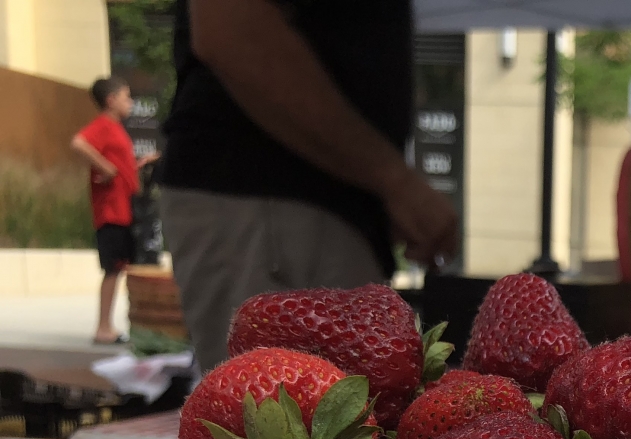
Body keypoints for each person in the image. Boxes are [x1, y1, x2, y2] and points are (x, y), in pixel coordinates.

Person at [158, 0, 457, 373]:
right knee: (283, 415)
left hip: (302, 204)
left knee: (335, 412)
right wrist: (394, 180)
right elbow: (231, 27)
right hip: (270, 192)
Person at [72, 76, 158, 345]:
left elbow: (120, 167)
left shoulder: (116, 129)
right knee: (113, 268)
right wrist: (105, 168)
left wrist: (138, 165)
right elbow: (78, 143)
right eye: (126, 97)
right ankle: (103, 327)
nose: (130, 102)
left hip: (124, 208)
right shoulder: (104, 126)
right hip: (111, 210)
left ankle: (122, 324)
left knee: (122, 267)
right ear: (111, 100)